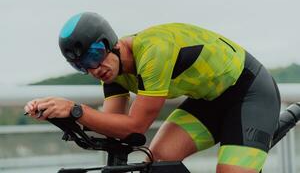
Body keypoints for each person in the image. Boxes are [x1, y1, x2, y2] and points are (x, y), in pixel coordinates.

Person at [24, 12, 281, 173]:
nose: (93, 68)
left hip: (249, 93)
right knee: (158, 161)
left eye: (94, 55)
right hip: (210, 101)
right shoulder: (110, 71)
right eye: (82, 66)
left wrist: (75, 109)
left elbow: (135, 128)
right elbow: (112, 128)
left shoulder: (152, 52)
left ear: (111, 42)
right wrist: (57, 114)